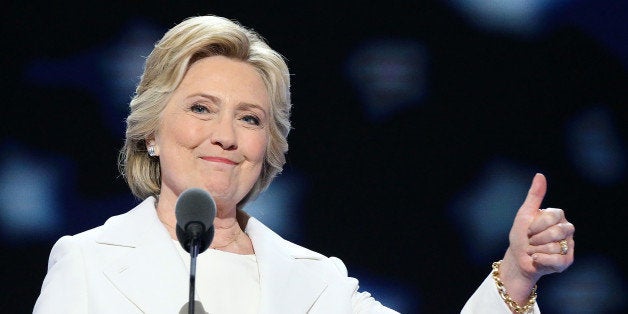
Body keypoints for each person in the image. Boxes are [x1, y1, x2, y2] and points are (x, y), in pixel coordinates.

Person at [33, 15, 575, 313]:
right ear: (151, 131)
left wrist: (518, 273)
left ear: (267, 148)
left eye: (249, 119)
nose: (224, 136)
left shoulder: (316, 283)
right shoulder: (88, 263)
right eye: (201, 109)